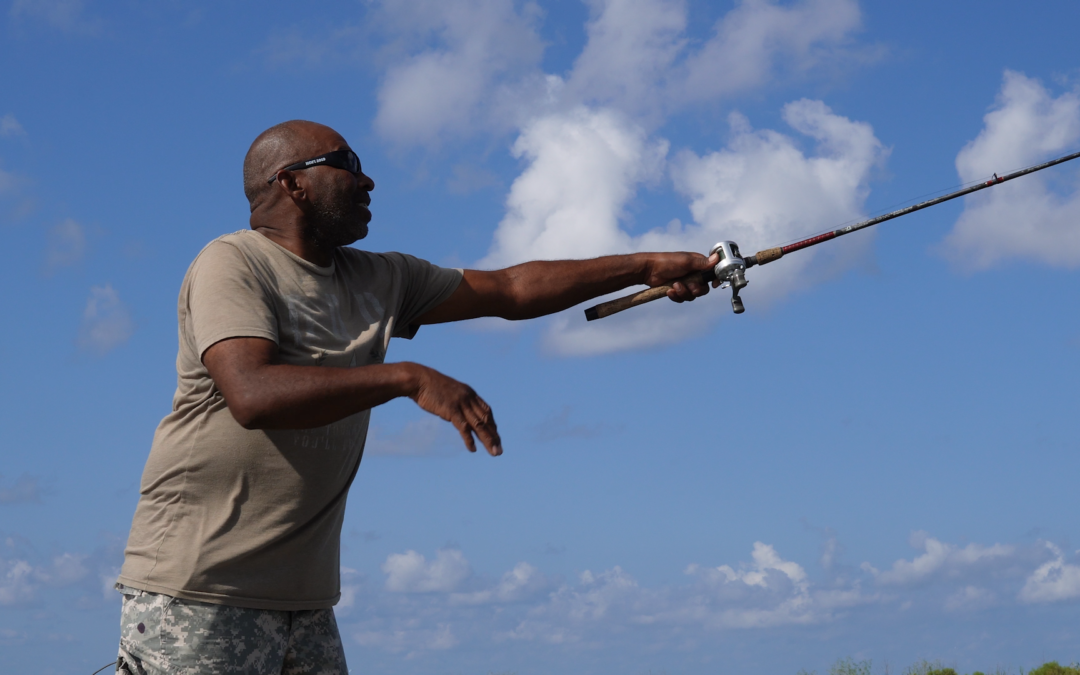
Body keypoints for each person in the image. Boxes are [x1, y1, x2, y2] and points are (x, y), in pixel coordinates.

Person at [114, 120, 716, 674]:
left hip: (306, 601)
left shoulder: (381, 278)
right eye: (346, 163)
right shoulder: (233, 264)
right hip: (196, 591)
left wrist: (645, 266)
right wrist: (408, 377)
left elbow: (509, 288)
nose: (367, 179)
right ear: (292, 183)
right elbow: (253, 393)